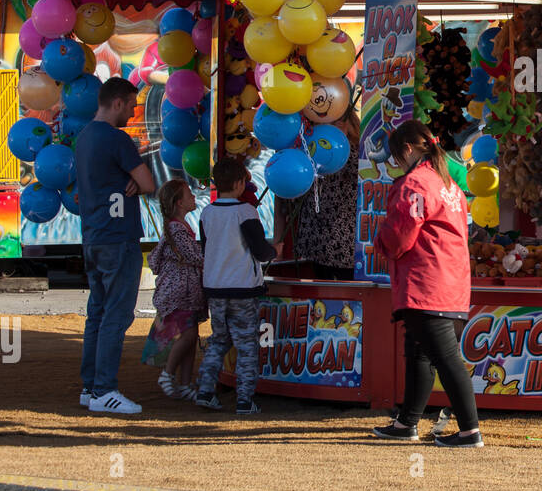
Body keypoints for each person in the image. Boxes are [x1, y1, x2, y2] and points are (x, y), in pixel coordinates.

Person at [372, 120, 482, 447]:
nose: (396, 165)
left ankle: (469, 430)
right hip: (451, 280)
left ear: (406, 150)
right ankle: (407, 422)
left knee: (445, 358)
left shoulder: (414, 183)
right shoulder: (449, 185)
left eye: (395, 158)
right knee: (419, 352)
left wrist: (381, 244)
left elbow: (400, 235)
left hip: (425, 282)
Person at [74, 77, 155, 415]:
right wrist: (135, 181)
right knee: (116, 316)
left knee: (97, 313)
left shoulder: (84, 137)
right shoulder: (116, 138)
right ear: (118, 102)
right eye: (132, 105)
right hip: (119, 238)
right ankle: (105, 389)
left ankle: (91, 387)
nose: (134, 112)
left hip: (93, 236)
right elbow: (148, 183)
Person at [195, 157, 276, 415]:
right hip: (242, 289)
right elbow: (261, 251)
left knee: (218, 340)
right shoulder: (246, 212)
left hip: (215, 288)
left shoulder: (207, 213)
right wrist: (275, 251)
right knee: (246, 345)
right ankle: (244, 400)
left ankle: (205, 391)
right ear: (241, 183)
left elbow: (207, 247)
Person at [273, 104, 360, 278]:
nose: (332, 128)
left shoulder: (357, 154)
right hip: (316, 243)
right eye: (325, 124)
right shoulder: (309, 152)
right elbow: (286, 200)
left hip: (344, 245)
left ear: (350, 123)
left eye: (337, 122)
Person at [145, 179, 205, 399]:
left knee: (192, 336)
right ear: (180, 203)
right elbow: (195, 257)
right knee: (188, 336)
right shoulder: (177, 230)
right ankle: (168, 373)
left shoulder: (178, 228)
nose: (194, 196)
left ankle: (186, 384)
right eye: (189, 194)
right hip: (180, 293)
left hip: (186, 293)